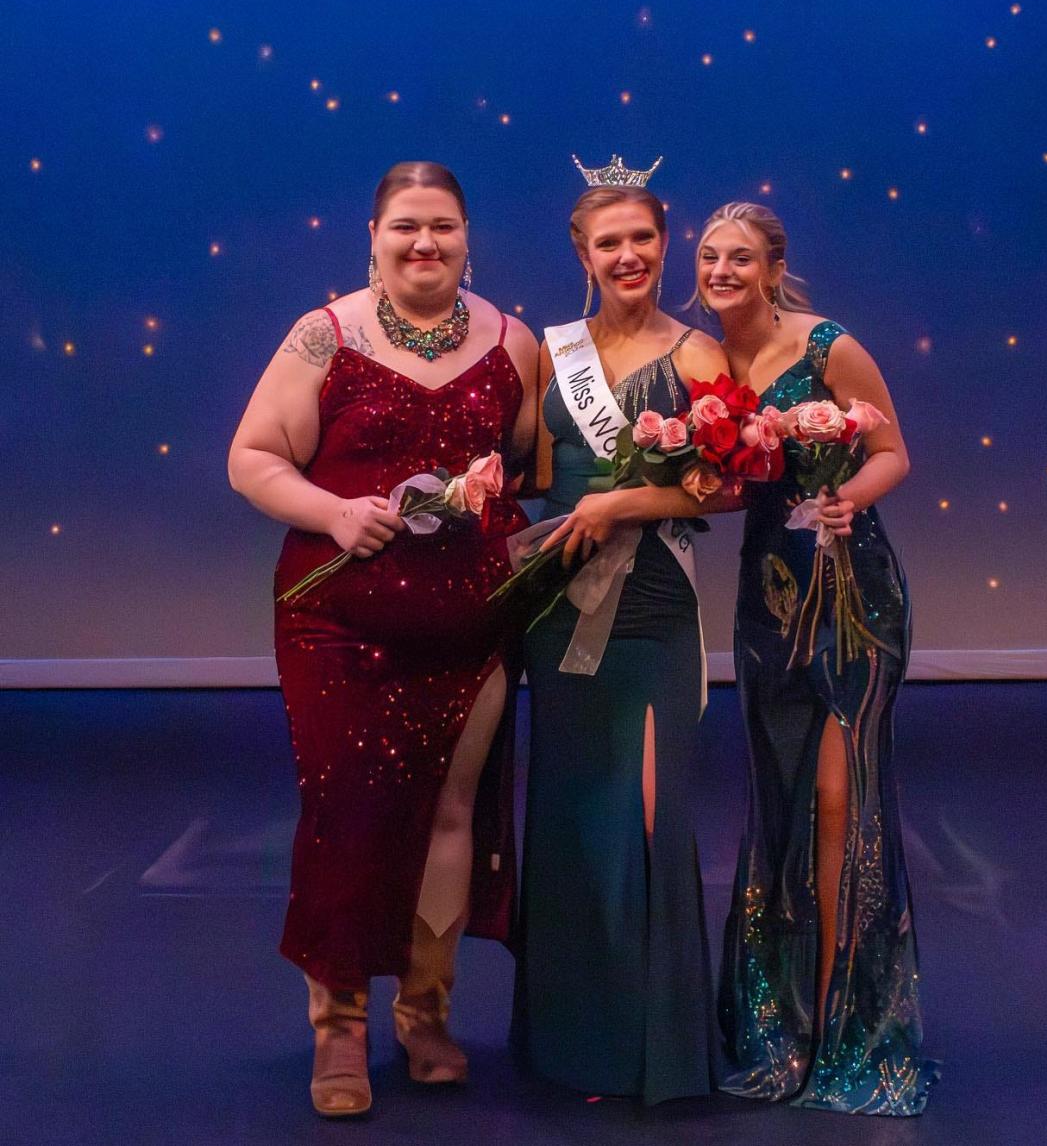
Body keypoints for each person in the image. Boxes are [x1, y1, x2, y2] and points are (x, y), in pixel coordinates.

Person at [228, 161, 538, 1117]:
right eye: (405, 226)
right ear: (371, 235)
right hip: (339, 624)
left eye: (442, 226)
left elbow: (522, 465)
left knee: (454, 811)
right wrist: (332, 510)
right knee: (349, 811)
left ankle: (426, 1009)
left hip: (472, 624)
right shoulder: (322, 335)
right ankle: (340, 1027)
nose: (424, 244)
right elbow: (250, 459)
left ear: (467, 235)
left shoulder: (513, 340)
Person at [698, 203, 939, 1114]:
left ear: (774, 266)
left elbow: (892, 453)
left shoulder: (829, 345)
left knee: (841, 802)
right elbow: (730, 486)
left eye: (740, 258)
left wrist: (846, 500)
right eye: (711, 256)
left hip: (849, 592)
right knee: (782, 802)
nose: (722, 270)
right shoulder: (707, 360)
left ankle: (851, 1030)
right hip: (768, 598)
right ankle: (781, 1023)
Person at [510, 166, 731, 1104]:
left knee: (644, 810)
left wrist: (630, 498)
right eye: (610, 243)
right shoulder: (550, 352)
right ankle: (574, 1048)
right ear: (582, 255)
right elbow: (535, 470)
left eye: (642, 238)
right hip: (560, 605)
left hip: (648, 606)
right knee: (571, 818)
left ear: (664, 243)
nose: (629, 255)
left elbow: (725, 486)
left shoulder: (701, 358)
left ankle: (656, 1052)